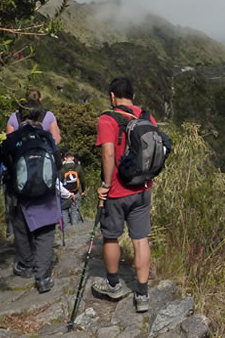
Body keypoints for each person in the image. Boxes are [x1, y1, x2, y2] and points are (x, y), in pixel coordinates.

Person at [92, 77, 155, 312]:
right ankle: (142, 295)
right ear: (134, 96)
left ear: (111, 96)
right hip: (142, 189)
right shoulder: (147, 117)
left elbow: (108, 154)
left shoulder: (107, 119)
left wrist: (105, 186)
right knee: (140, 239)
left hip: (117, 191)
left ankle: (113, 284)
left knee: (111, 236)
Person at [0, 100, 64, 294]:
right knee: (46, 234)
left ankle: (26, 264)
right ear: (39, 116)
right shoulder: (47, 137)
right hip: (45, 193)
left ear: (20, 117)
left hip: (20, 193)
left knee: (21, 229)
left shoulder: (12, 138)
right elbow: (58, 163)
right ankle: (43, 278)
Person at [3, 88, 61, 238]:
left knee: (14, 197)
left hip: (18, 170)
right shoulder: (48, 116)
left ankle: (14, 230)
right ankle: (43, 228)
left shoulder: (14, 117)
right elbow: (56, 140)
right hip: (42, 168)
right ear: (40, 100)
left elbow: (8, 141)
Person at [59, 147, 86, 226]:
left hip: (66, 193)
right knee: (75, 210)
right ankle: (75, 227)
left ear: (64, 158)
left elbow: (59, 182)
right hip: (76, 191)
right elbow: (83, 180)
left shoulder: (61, 169)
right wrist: (83, 190)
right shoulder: (78, 167)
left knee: (64, 210)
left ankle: (66, 228)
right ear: (73, 158)